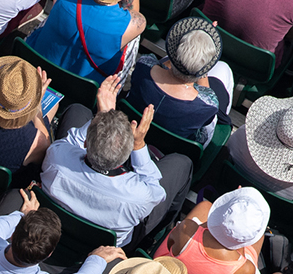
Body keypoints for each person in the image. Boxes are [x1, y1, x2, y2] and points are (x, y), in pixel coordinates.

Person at [42, 74, 190, 248]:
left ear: (85, 144)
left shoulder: (56, 160)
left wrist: (102, 114)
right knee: (182, 163)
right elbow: (157, 192)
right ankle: (152, 241)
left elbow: (69, 142)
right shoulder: (138, 196)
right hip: (101, 248)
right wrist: (139, 145)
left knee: (78, 110)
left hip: (53, 227)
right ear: (126, 155)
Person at [27, 0, 146, 83]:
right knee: (133, 39)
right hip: (79, 91)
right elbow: (135, 14)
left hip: (36, 66)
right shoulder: (132, 24)